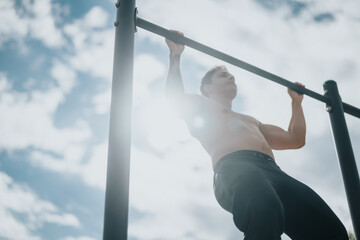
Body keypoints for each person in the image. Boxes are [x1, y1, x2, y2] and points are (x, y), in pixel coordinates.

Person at [165, 30, 348, 240]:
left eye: (231, 75)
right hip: (235, 169)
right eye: (223, 75)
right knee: (265, 208)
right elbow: (175, 101)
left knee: (330, 229)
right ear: (207, 87)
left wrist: (296, 103)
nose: (231, 77)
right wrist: (175, 56)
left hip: (273, 172)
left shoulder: (251, 121)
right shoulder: (200, 106)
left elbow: (296, 139)